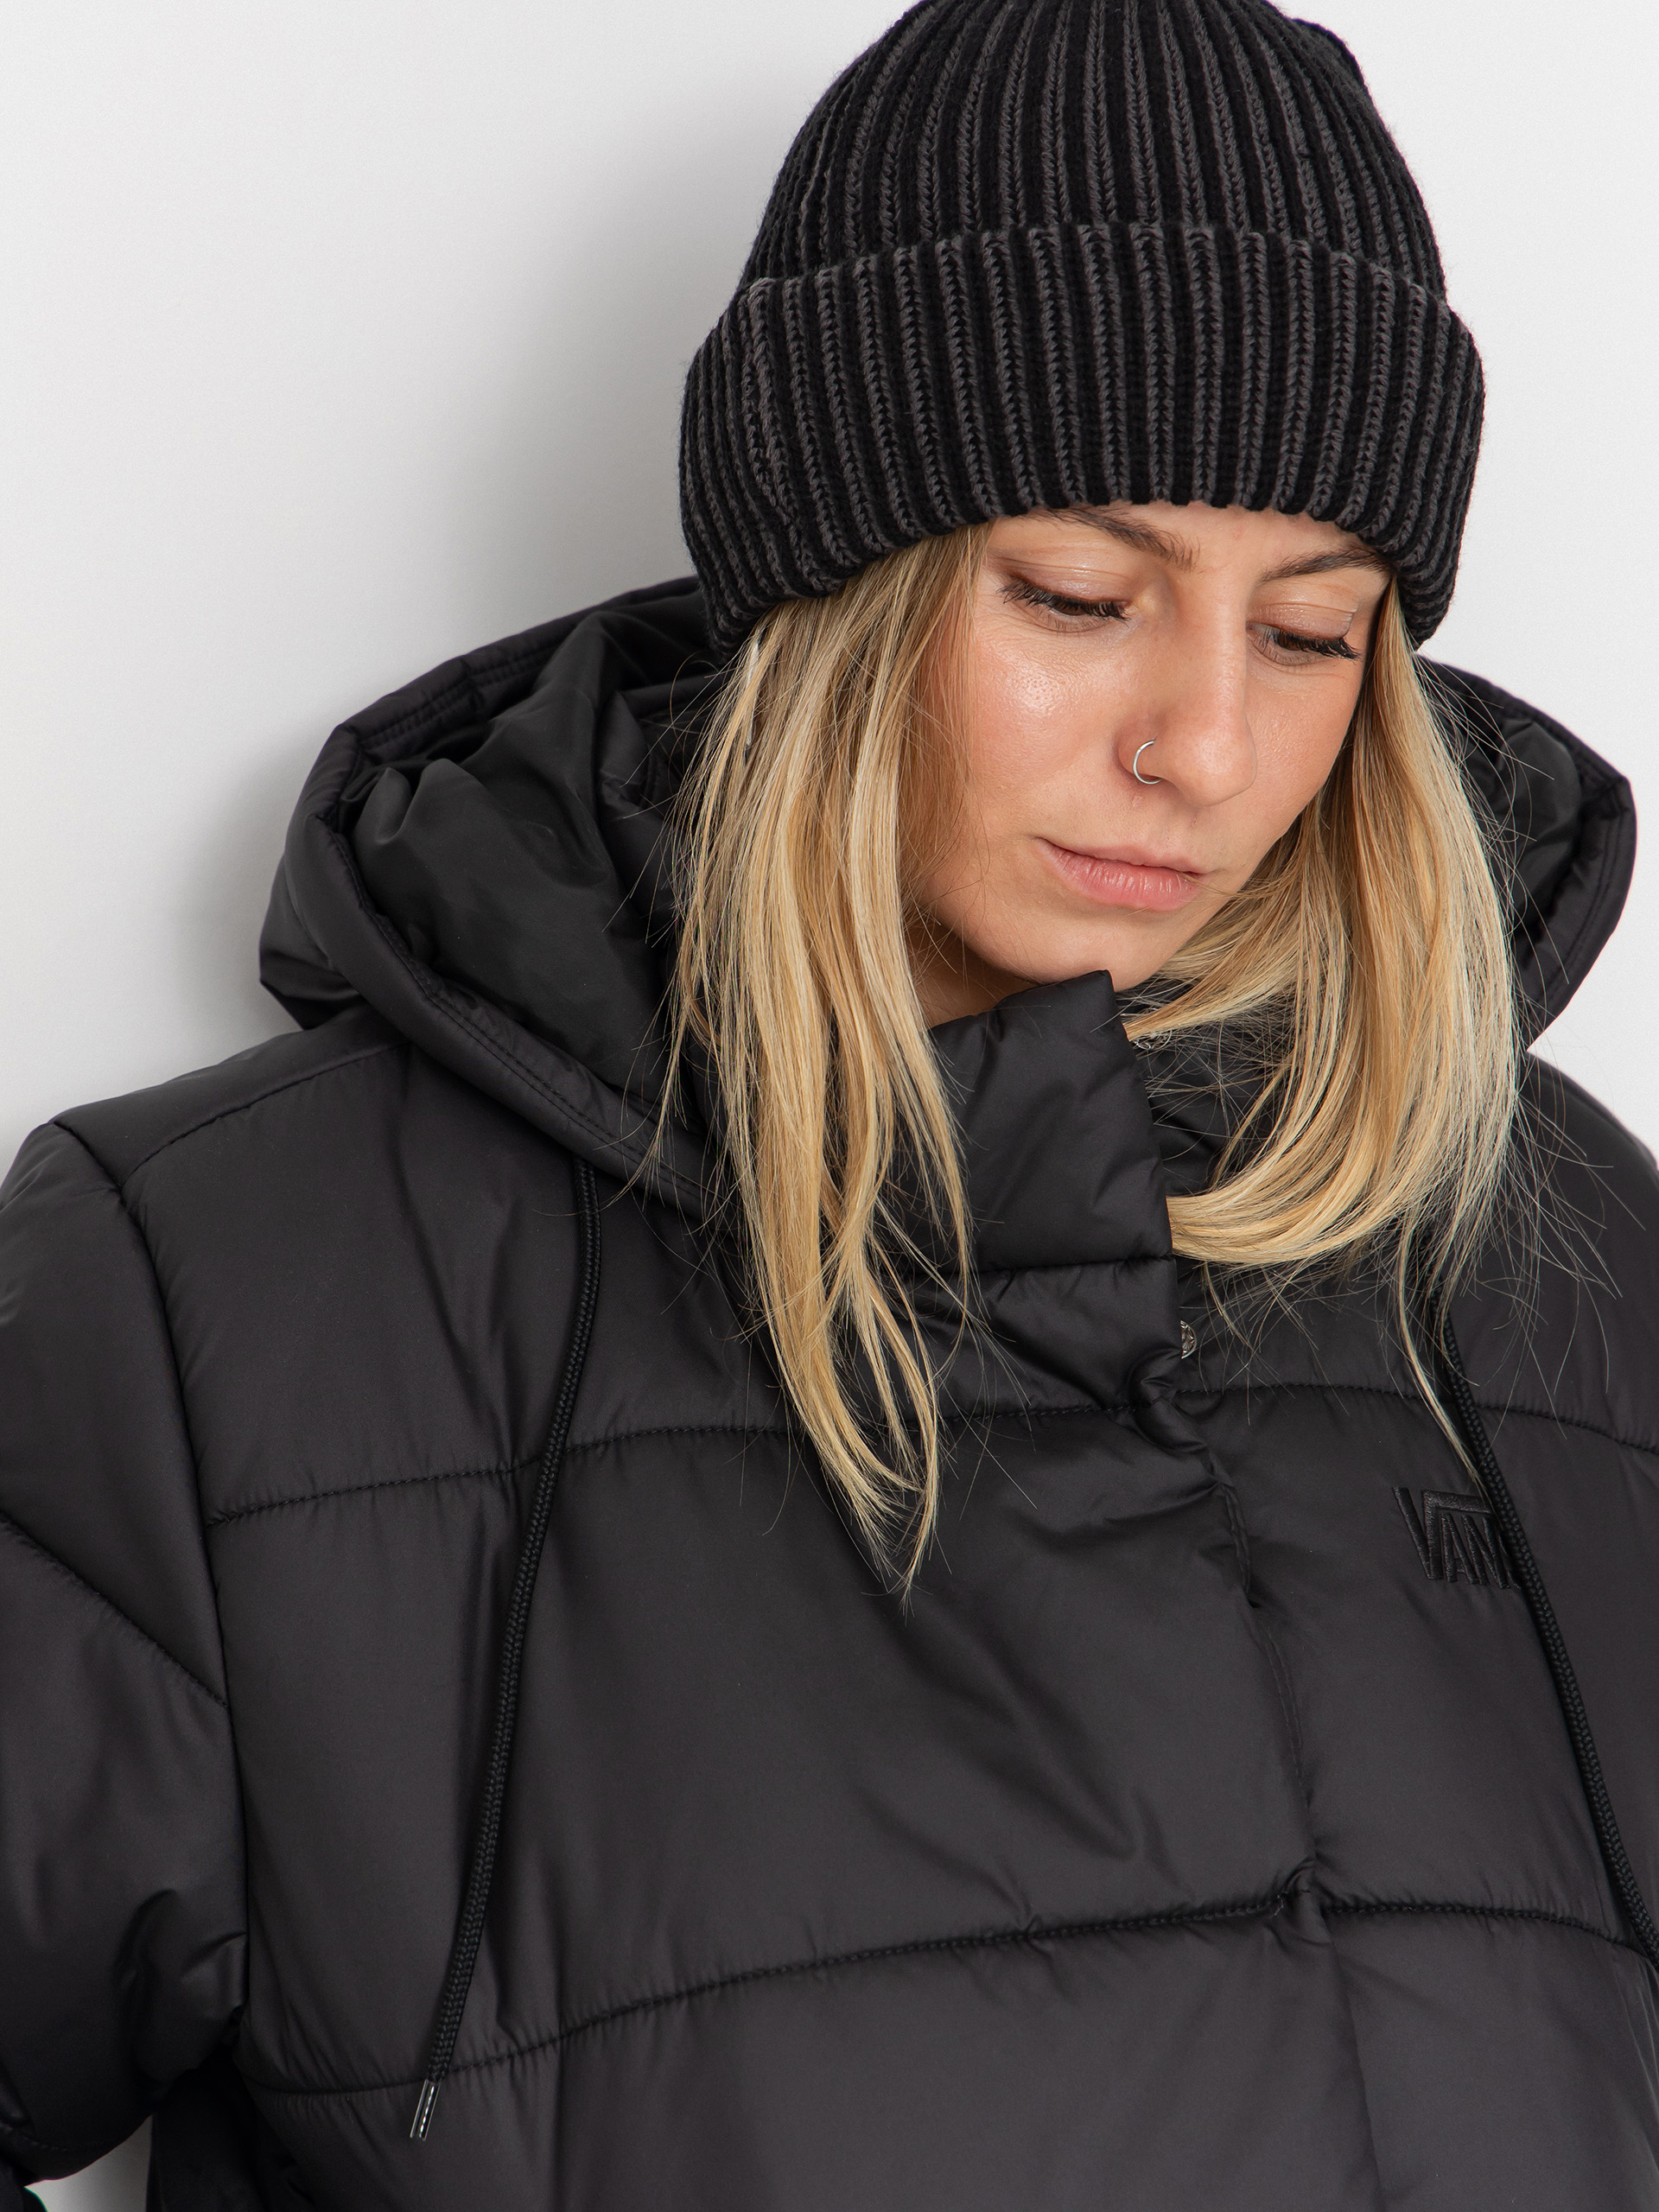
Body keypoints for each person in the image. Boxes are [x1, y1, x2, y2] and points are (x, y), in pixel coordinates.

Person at [3, 0, 1656, 2205]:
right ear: (834, 586)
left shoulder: (1565, 1264)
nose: (1203, 746)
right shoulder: (221, 1304)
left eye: (1313, 633)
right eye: (1080, 593)